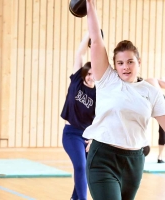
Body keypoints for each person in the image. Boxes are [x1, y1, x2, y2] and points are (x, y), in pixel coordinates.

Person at [83, 0, 165, 199]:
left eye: (130, 61)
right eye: (120, 63)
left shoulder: (151, 91)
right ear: (114, 65)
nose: (125, 67)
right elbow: (96, 39)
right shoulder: (106, 79)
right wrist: (90, 5)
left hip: (134, 162)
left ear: (139, 62)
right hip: (103, 158)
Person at [60, 32, 95, 200]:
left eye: (93, 73)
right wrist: (89, 33)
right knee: (80, 166)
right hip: (71, 133)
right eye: (87, 73)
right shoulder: (76, 82)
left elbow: (102, 120)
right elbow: (79, 54)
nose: (90, 76)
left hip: (88, 137)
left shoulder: (101, 93)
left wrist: (94, 139)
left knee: (86, 169)